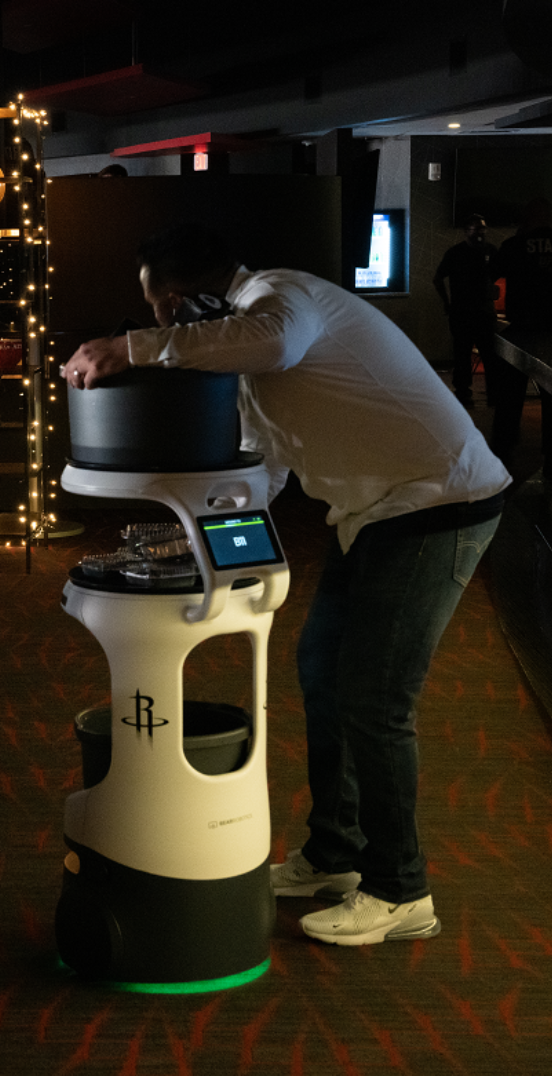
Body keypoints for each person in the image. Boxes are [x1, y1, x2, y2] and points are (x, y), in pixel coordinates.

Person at [62, 221, 511, 946]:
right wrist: (199, 533)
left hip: (438, 505)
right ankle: (334, 856)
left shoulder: (280, 300)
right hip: (374, 512)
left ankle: (402, 891)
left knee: (374, 698)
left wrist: (132, 349)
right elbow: (268, 466)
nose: (157, 324)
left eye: (161, 309)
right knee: (323, 673)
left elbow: (274, 342)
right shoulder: (247, 350)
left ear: (186, 301)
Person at [488, 196, 552, 474]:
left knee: (510, 397)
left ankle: (504, 450)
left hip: (522, 331)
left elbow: (491, 275)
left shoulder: (513, 246)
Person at [432, 213, 499, 409]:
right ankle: (474, 394)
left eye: (482, 229)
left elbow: (438, 279)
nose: (481, 233)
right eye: (477, 228)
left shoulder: (468, 252)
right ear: (466, 231)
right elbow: (437, 278)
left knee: (480, 356)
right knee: (468, 356)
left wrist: (447, 303)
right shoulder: (464, 253)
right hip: (468, 313)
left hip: (474, 312)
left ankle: (469, 395)